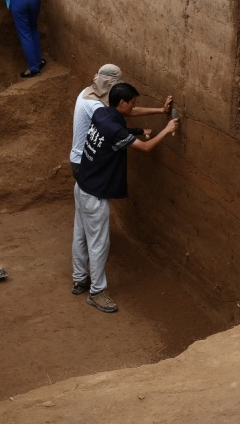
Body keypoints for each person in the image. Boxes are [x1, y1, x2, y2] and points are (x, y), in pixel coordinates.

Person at [73, 83, 179, 313]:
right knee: (99, 244)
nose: (134, 106)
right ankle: (97, 292)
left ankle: (80, 278)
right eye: (132, 102)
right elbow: (146, 148)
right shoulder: (114, 127)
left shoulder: (102, 112)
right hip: (95, 195)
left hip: (81, 185)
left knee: (80, 234)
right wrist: (166, 127)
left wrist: (160, 112)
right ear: (121, 103)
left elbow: (125, 123)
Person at [70, 64, 173, 180]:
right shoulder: (96, 107)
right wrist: (163, 130)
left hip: (83, 160)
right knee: (94, 195)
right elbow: (142, 145)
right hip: (85, 163)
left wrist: (161, 110)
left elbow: (127, 110)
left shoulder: (89, 93)